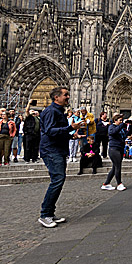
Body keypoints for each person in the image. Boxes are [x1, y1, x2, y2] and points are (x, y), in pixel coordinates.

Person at [39, 87, 81, 228]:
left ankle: (49, 213)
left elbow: (57, 131)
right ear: (56, 97)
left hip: (57, 149)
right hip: (51, 150)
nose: (68, 97)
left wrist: (71, 135)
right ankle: (45, 215)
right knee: (57, 179)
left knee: (58, 179)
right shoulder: (51, 111)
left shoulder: (58, 111)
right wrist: (70, 128)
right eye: (65, 95)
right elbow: (50, 131)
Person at [103, 112, 128, 191]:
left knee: (114, 167)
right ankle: (119, 184)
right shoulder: (111, 127)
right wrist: (121, 126)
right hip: (114, 149)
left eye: (122, 120)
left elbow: (125, 135)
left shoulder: (120, 129)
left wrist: (129, 128)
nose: (121, 122)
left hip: (120, 148)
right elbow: (112, 133)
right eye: (120, 120)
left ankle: (106, 183)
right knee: (118, 167)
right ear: (115, 120)